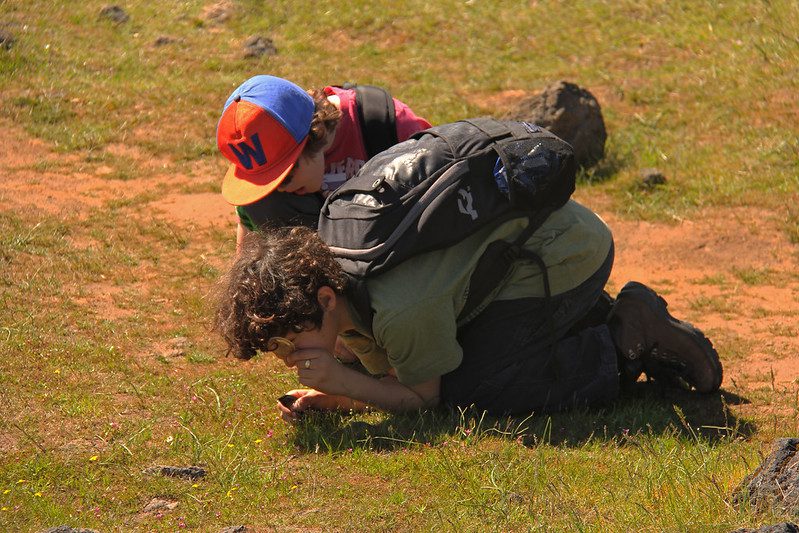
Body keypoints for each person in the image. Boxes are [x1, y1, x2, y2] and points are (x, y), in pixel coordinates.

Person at [214, 199, 723, 421]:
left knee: (474, 390)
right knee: (459, 358)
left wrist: (346, 385)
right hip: (538, 245)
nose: (285, 355)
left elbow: (425, 397)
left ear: (325, 301)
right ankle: (589, 317)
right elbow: (394, 370)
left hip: (569, 252)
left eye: (286, 339)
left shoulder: (398, 309)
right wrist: (349, 396)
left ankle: (624, 337)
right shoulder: (341, 279)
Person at [215, 75, 431, 252]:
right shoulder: (266, 143)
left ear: (312, 137)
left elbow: (443, 190)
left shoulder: (387, 126)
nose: (281, 187)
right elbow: (247, 223)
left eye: (285, 176)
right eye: (266, 181)